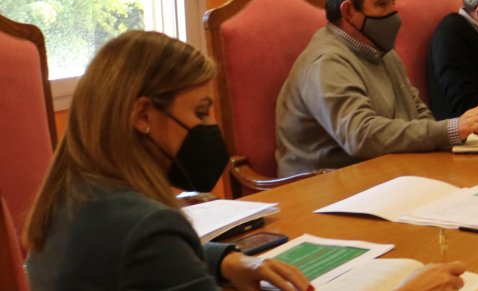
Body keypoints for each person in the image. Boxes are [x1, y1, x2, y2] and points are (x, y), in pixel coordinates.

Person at [22, 30, 310, 290]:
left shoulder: (69, 196)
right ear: (143, 115)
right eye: (200, 112)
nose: (211, 128)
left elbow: (150, 260)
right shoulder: (148, 225)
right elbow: (150, 248)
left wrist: (228, 261)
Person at [276, 0, 478, 176]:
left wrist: (438, 145)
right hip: (324, 189)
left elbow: (417, 112)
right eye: (382, 4)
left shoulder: (382, 51)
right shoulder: (327, 62)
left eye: (394, 2)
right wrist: (449, 130)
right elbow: (360, 136)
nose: (394, 14)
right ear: (348, 11)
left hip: (386, 173)